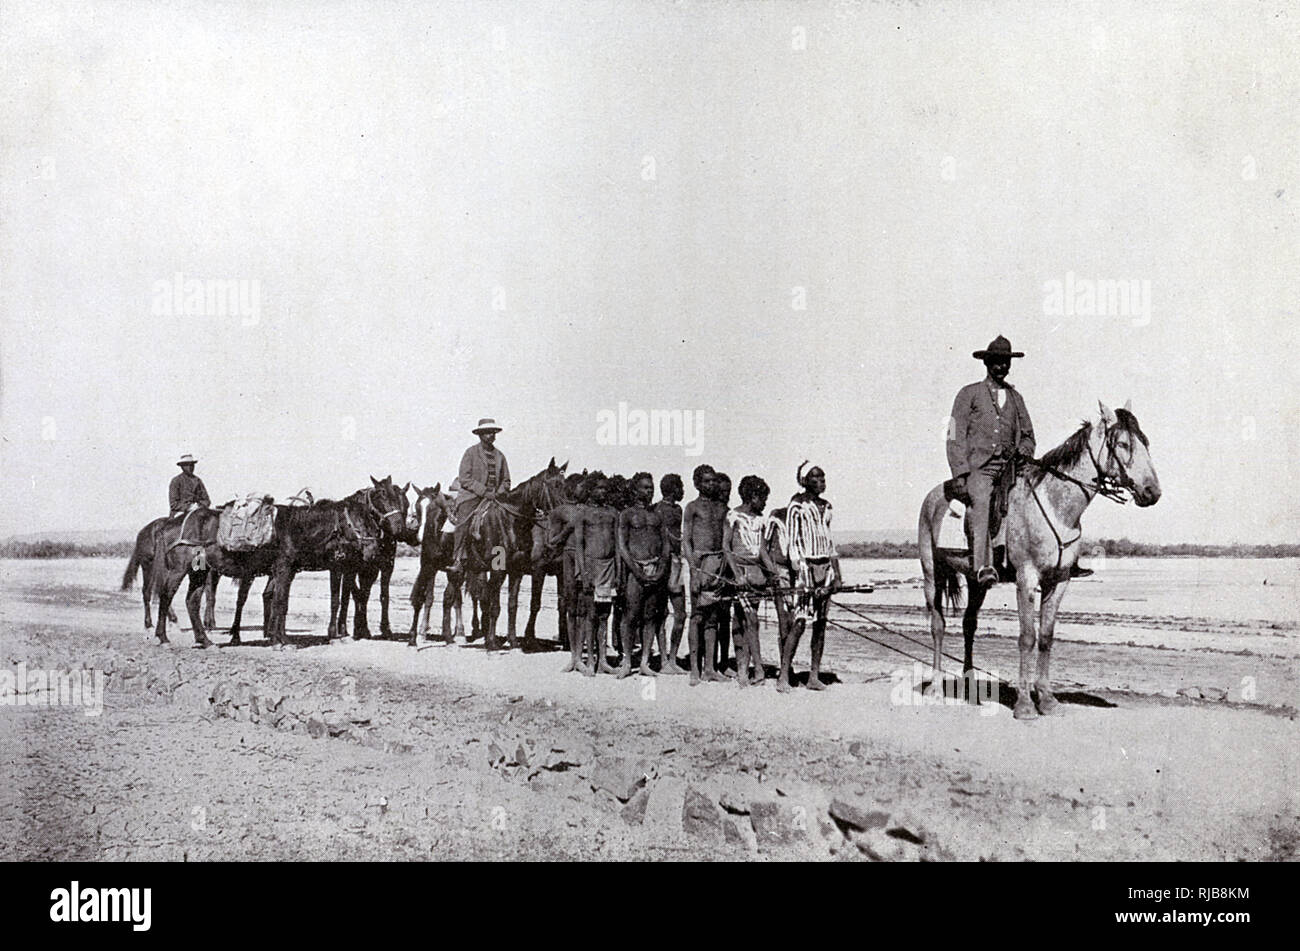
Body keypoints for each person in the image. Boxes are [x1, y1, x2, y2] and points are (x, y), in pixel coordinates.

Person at [946, 336, 1035, 586]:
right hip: (980, 469)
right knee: (982, 501)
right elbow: (953, 433)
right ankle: (982, 566)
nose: (1002, 367)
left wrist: (1024, 451)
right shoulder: (968, 394)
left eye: (1006, 362)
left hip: (1013, 467)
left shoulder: (1016, 398)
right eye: (997, 362)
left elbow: (1028, 435)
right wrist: (961, 472)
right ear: (987, 363)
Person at [780, 462, 841, 691]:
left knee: (821, 624)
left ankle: (813, 675)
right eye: (816, 477)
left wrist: (837, 574)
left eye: (823, 476)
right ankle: (783, 676)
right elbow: (793, 542)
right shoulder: (797, 506)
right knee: (799, 622)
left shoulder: (827, 506)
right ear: (805, 480)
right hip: (805, 568)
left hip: (825, 566)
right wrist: (800, 571)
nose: (822, 481)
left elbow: (829, 541)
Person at [616, 472, 669, 678]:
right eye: (645, 487)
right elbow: (623, 546)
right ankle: (627, 661)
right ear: (635, 490)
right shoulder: (627, 515)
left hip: (655, 568)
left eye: (651, 487)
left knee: (650, 617)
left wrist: (661, 568)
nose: (650, 491)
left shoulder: (657, 516)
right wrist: (636, 571)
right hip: (635, 572)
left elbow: (665, 544)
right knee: (630, 615)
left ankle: (645, 661)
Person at [724, 475, 774, 687]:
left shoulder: (760, 520)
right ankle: (752, 668)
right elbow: (726, 547)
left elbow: (762, 550)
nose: (764, 503)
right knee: (747, 620)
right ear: (753, 496)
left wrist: (772, 573)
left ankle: (747, 667)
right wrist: (736, 574)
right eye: (763, 498)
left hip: (757, 574)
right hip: (740, 573)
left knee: (747, 621)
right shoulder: (733, 516)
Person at [682, 464, 729, 685]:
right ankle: (694, 670)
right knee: (697, 616)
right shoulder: (691, 507)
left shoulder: (721, 508)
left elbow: (726, 542)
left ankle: (710, 668)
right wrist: (693, 569)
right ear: (697, 483)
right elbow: (686, 541)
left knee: (713, 619)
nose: (710, 484)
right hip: (699, 563)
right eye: (706, 481)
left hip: (718, 563)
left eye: (713, 481)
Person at [451, 418, 511, 572]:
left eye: (493, 432)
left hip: (495, 497)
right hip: (471, 496)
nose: (491, 435)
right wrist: (484, 491)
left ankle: (500, 561)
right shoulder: (470, 453)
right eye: (487, 432)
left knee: (507, 522)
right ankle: (458, 557)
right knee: (463, 521)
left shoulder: (500, 456)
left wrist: (498, 492)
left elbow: (506, 480)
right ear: (480, 435)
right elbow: (464, 478)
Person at [573, 473, 619, 676]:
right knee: (590, 615)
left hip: (608, 567)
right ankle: (590, 660)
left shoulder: (613, 514)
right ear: (591, 490)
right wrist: (583, 572)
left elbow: (617, 545)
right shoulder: (583, 514)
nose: (602, 492)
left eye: (605, 488)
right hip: (590, 567)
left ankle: (603, 660)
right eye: (598, 488)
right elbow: (579, 546)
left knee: (604, 614)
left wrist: (617, 571)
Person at [547, 472, 590, 673]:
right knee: (572, 608)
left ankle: (584, 655)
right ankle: (574, 657)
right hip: (569, 559)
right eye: (582, 486)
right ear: (573, 488)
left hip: (590, 561)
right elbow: (551, 541)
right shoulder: (559, 512)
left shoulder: (591, 510)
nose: (585, 489)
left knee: (586, 609)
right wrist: (569, 529)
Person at [652, 473, 686, 674]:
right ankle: (664, 658)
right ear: (673, 489)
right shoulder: (657, 510)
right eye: (680, 487)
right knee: (661, 613)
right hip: (661, 563)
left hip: (676, 562)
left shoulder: (678, 509)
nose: (682, 491)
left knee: (681, 614)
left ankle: (672, 658)